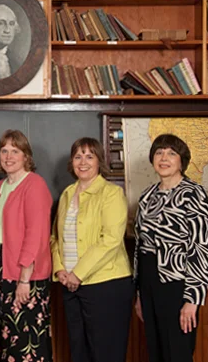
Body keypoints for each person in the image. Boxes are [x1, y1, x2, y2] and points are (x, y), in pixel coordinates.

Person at [50, 137, 133, 362]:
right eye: (78, 156)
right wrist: (60, 271)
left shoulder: (111, 193)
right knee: (79, 353)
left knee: (106, 354)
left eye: (89, 156)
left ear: (99, 161)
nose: (83, 162)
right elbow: (55, 238)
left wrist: (78, 273)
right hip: (69, 286)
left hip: (106, 286)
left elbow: (111, 240)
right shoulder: (67, 194)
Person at [134, 134, 208, 362]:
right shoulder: (147, 196)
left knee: (177, 351)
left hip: (177, 283)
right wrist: (139, 293)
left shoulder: (194, 194)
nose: (164, 158)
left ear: (182, 160)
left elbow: (201, 249)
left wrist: (192, 300)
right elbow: (141, 246)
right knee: (156, 349)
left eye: (171, 153)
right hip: (149, 281)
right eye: (159, 152)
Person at [0, 130, 53, 362]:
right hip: (1, 277)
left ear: (26, 156)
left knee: (24, 347)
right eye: (4, 151)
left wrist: (25, 279)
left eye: (15, 151)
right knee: (1, 344)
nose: (9, 156)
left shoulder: (35, 185)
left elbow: (36, 235)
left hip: (25, 278)